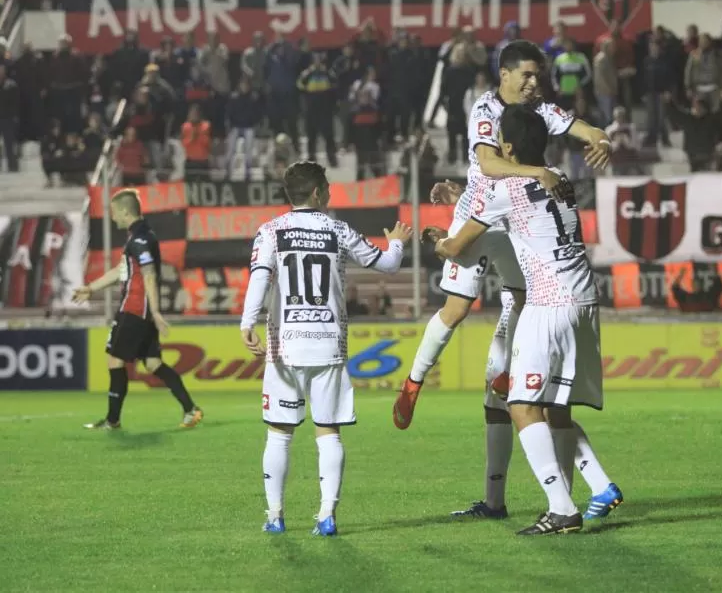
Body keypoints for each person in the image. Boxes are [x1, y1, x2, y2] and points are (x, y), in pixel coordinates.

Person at [392, 40, 613, 522]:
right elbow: (490, 165)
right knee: (457, 309)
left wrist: (603, 141)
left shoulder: (539, 112)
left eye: (539, 75)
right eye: (527, 75)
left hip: (513, 220)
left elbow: (588, 129)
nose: (535, 84)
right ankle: (413, 382)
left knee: (509, 382)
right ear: (505, 74)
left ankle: (545, 502)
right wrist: (536, 173)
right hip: (485, 214)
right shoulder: (487, 109)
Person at [429, 105, 619, 535]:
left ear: (508, 147)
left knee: (520, 404)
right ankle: (586, 492)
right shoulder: (561, 180)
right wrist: (463, 195)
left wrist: (438, 241)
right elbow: (520, 211)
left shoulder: (503, 191)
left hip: (547, 303)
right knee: (557, 406)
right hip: (585, 300)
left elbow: (458, 248)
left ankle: (561, 508)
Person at [240, 161, 412, 536]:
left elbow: (259, 277)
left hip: (284, 347)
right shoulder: (337, 229)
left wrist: (246, 322)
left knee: (278, 433)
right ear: (317, 193)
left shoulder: (270, 231)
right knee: (328, 431)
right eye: (328, 187)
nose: (330, 193)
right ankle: (326, 516)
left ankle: (275, 516)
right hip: (328, 345)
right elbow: (388, 263)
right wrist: (397, 240)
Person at [72, 190, 203, 430]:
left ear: (124, 211)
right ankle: (190, 409)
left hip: (134, 310)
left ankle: (112, 421)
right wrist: (90, 288)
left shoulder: (140, 239)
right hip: (143, 311)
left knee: (114, 360)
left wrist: (155, 311)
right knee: (153, 363)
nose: (112, 218)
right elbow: (122, 272)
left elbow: (149, 275)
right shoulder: (139, 237)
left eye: (113, 213)